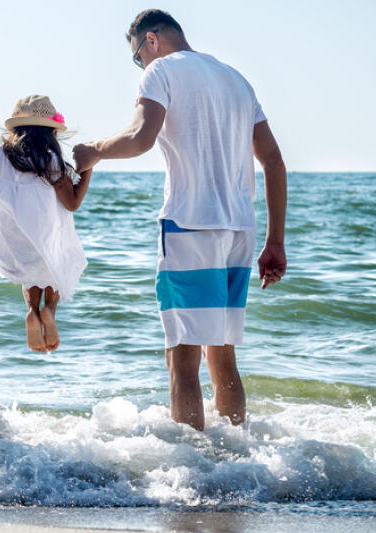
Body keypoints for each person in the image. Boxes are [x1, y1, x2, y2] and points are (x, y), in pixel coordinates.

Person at [72, 10, 287, 430]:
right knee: (221, 353)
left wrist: (93, 151)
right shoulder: (236, 79)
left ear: (150, 40)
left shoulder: (161, 71)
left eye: (137, 56)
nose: (140, 65)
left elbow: (139, 139)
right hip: (240, 229)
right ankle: (236, 462)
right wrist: (275, 241)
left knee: (182, 356)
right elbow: (274, 161)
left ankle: (193, 475)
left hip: (190, 224)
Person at [0, 95, 91, 352]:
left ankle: (32, 310)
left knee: (30, 276)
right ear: (51, 133)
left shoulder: (1, 156)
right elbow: (72, 203)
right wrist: (88, 169)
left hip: (13, 238)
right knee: (54, 271)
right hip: (46, 236)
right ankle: (49, 311)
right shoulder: (51, 162)